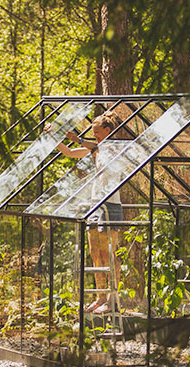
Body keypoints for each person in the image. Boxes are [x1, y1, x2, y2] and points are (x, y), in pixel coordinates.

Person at [51, 111, 124, 313]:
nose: (95, 136)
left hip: (111, 205)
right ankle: (101, 298)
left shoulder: (116, 147)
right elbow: (69, 152)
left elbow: (100, 146)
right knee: (95, 253)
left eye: (97, 133)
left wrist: (80, 139)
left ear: (108, 131)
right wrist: (53, 138)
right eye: (93, 134)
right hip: (95, 203)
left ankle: (112, 299)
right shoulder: (96, 148)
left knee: (110, 254)